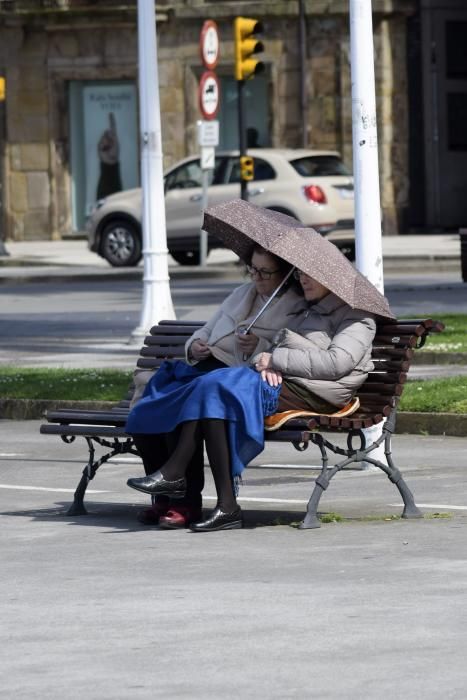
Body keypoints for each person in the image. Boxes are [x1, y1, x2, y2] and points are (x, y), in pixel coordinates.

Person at [126, 266, 377, 532]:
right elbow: (281, 349)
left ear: (331, 276)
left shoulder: (358, 317)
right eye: (301, 273)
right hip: (290, 380)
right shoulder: (310, 310)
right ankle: (224, 507)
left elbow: (337, 363)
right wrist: (265, 358)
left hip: (318, 393)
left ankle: (181, 477)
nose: (303, 279)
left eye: (311, 274)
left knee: (213, 386)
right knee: (210, 388)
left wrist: (275, 359)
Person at [129, 245, 303, 529]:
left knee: (182, 408)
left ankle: (186, 502)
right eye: (253, 269)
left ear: (284, 275)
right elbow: (206, 330)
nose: (257, 277)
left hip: (231, 375)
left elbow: (284, 351)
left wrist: (257, 346)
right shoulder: (241, 294)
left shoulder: (293, 305)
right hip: (203, 365)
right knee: (143, 412)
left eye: (265, 272)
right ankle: (163, 497)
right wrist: (194, 346)